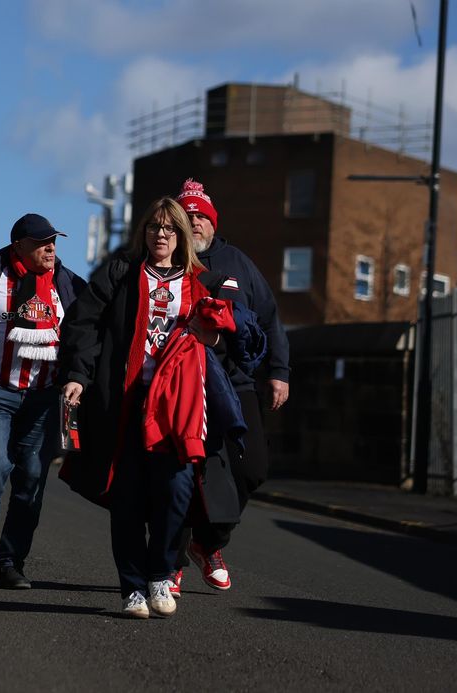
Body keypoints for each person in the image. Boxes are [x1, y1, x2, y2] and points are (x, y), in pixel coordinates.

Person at [58, 197, 244, 619]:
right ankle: (132, 588)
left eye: (169, 228)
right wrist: (77, 375)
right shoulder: (121, 274)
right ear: (143, 233)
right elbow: (83, 324)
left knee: (177, 492)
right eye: (153, 227)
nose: (160, 235)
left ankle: (161, 573)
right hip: (124, 402)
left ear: (182, 236)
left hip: (177, 409)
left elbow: (234, 341)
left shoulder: (204, 282)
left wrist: (214, 338)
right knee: (125, 499)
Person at [0, 213, 86, 589]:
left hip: (45, 396)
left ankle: (12, 561)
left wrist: (77, 377)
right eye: (42, 242)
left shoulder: (68, 284)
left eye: (54, 241)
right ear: (18, 245)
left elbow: (88, 331)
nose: (51, 248)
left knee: (33, 478)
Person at [172, 178, 291, 594]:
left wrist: (279, 372)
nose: (195, 223)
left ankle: (208, 543)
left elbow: (271, 317)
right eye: (187, 217)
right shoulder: (167, 260)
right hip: (181, 382)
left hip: (236, 383)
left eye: (201, 217)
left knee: (252, 467)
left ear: (212, 222)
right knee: (183, 471)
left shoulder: (238, 262)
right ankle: (171, 558)